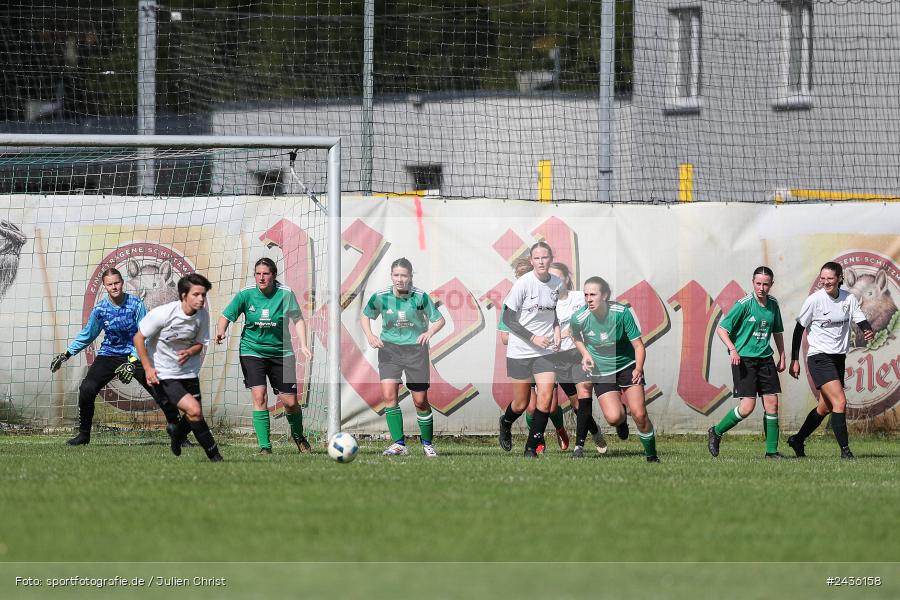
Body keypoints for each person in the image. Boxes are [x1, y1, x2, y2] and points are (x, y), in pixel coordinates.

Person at [49, 267, 181, 446]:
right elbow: (88, 334)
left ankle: (180, 436)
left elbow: (146, 334)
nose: (114, 287)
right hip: (109, 355)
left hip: (136, 354)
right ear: (105, 286)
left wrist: (132, 361)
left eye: (117, 283)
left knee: (160, 391)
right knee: (87, 389)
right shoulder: (101, 309)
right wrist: (67, 354)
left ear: (122, 283)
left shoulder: (135, 304)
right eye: (110, 284)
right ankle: (83, 435)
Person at [215, 258, 313, 455]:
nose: (261, 277)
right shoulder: (245, 294)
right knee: (259, 396)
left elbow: (298, 319)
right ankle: (265, 447)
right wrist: (221, 331)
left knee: (290, 403)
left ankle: (299, 436)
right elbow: (225, 316)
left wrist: (303, 344)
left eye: (265, 273)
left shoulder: (285, 294)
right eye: (258, 273)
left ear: (273, 275)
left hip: (282, 354)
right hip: (252, 351)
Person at [786, 261, 874, 460]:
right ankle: (845, 451)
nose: (825, 282)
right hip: (819, 357)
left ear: (840, 278)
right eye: (822, 278)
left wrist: (867, 329)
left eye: (830, 278)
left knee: (825, 407)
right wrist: (794, 359)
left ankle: (797, 439)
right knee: (840, 401)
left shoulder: (848, 298)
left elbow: (860, 318)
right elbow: (799, 329)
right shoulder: (814, 300)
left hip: (838, 358)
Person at [360, 258, 446, 457]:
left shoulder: (420, 296)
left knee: (420, 401)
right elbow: (365, 316)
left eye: (404, 275)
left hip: (416, 352)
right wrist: (371, 336)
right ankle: (399, 444)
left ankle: (427, 444)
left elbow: (439, 320)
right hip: (389, 351)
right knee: (389, 396)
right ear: (391, 276)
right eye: (396, 275)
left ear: (410, 276)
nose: (400, 279)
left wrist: (429, 333)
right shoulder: (381, 297)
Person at [134, 273, 223, 462]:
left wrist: (190, 352)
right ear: (183, 295)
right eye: (196, 295)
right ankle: (216, 458)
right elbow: (138, 338)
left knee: (193, 414)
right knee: (195, 411)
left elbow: (200, 344)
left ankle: (176, 432)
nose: (201, 299)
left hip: (189, 372)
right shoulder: (163, 314)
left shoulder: (202, 315)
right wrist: (148, 368)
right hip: (164, 373)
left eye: (203, 295)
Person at [571, 276, 660, 462]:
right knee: (613, 418)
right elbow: (576, 337)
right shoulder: (579, 317)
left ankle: (651, 457)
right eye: (586, 294)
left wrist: (639, 368)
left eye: (593, 294)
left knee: (640, 414)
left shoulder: (621, 312)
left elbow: (639, 346)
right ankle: (622, 418)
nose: (588, 299)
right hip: (602, 371)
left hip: (628, 366)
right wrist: (585, 354)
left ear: (605, 295)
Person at [706, 266, 786, 459]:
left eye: (766, 284)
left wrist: (782, 355)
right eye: (758, 283)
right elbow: (722, 330)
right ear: (752, 283)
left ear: (771, 285)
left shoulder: (773, 304)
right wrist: (733, 349)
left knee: (772, 404)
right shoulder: (743, 304)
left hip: (765, 359)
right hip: (744, 360)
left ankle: (772, 452)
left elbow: (777, 331)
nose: (762, 288)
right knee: (747, 407)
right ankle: (716, 431)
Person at [497, 257, 571, 454]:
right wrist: (531, 337)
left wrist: (555, 330)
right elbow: (505, 336)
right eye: (520, 278)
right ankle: (506, 422)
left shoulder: (546, 294)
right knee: (523, 405)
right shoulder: (512, 301)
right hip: (521, 355)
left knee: (549, 402)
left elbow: (555, 316)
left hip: (544, 354)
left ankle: (535, 443)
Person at [548, 262, 607, 457]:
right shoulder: (546, 301)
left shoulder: (578, 298)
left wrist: (568, 333)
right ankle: (595, 431)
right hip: (559, 358)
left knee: (583, 397)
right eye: (551, 278)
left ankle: (579, 447)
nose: (555, 282)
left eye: (559, 277)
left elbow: (593, 316)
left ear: (566, 278)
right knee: (576, 405)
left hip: (579, 355)